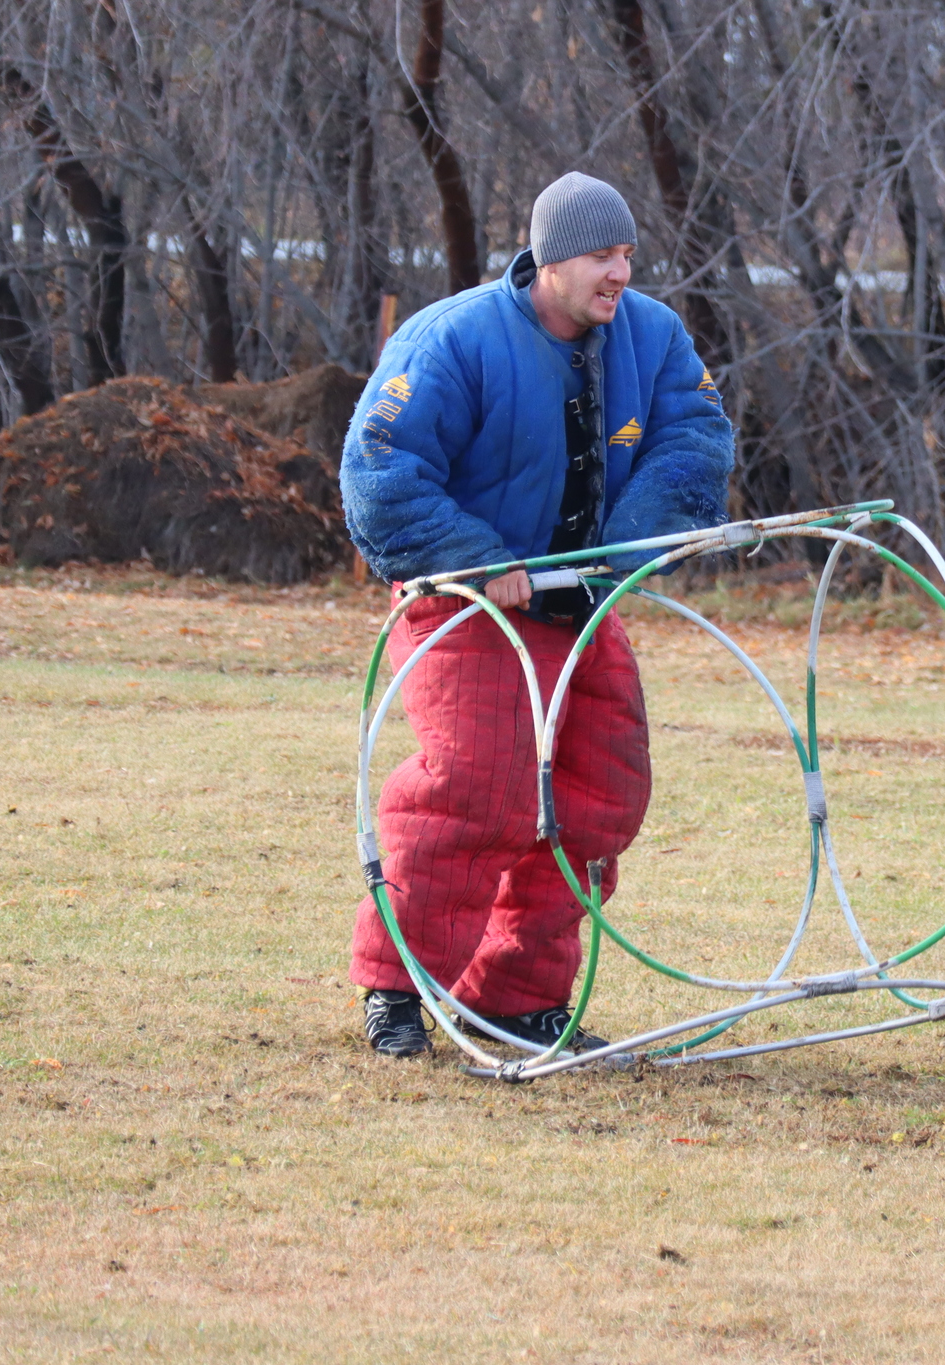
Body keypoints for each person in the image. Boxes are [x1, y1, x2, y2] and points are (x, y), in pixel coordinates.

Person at [340, 172, 732, 1057]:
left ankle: (518, 997)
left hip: (585, 607)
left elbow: (696, 439)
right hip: (464, 607)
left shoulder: (655, 338)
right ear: (552, 259)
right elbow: (379, 472)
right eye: (602, 255)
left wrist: (622, 551)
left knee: (602, 792)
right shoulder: (451, 340)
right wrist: (479, 559)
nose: (620, 273)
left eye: (628, 254)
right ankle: (398, 990)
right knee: (477, 785)